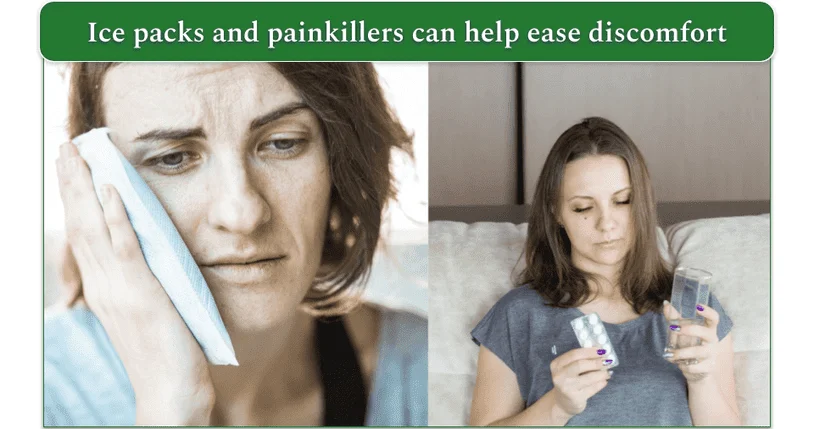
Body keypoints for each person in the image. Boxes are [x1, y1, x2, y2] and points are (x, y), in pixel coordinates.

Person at [45, 62, 428, 426]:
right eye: (173, 158)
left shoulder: (427, 372)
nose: (242, 214)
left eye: (283, 143)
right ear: (92, 181)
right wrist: (170, 407)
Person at [468, 117, 740, 426]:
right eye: (583, 207)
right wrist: (557, 406)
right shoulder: (518, 314)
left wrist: (701, 380)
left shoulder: (693, 309)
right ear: (556, 212)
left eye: (622, 201)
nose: (606, 223)